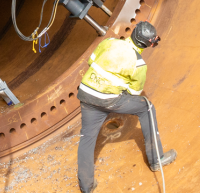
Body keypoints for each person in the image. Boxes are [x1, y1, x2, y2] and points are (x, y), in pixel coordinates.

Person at [76, 21, 177, 193]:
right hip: (107, 99)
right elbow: (133, 93)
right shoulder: (139, 64)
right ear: (147, 44)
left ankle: (86, 186)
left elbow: (91, 61)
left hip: (86, 94)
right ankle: (156, 159)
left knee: (87, 138)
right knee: (147, 108)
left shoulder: (109, 42)